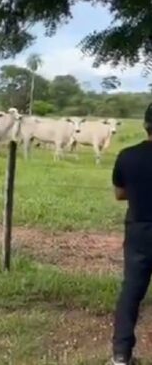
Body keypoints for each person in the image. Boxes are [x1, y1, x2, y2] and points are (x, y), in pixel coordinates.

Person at [111, 103, 152, 365]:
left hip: (139, 230)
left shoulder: (127, 155)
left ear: (145, 124)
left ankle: (121, 355)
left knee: (131, 292)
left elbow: (119, 194)